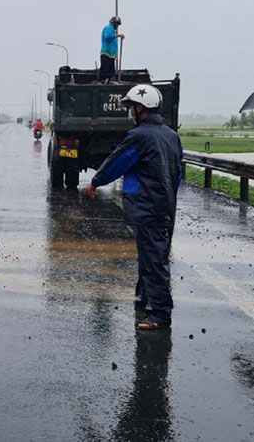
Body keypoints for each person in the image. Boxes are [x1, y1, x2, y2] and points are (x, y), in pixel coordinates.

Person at [84, 84, 183, 330]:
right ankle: (144, 299)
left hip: (148, 205)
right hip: (165, 204)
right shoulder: (171, 136)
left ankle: (159, 314)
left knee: (153, 259)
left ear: (140, 108)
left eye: (130, 107)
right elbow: (179, 172)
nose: (129, 112)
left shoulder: (139, 137)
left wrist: (96, 182)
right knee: (151, 255)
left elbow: (118, 162)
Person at [99, 16, 125, 82]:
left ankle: (110, 80)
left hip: (111, 54)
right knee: (105, 70)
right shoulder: (108, 28)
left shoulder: (113, 31)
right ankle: (103, 80)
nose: (117, 26)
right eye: (117, 24)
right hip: (106, 53)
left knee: (111, 72)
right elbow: (107, 36)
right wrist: (118, 35)